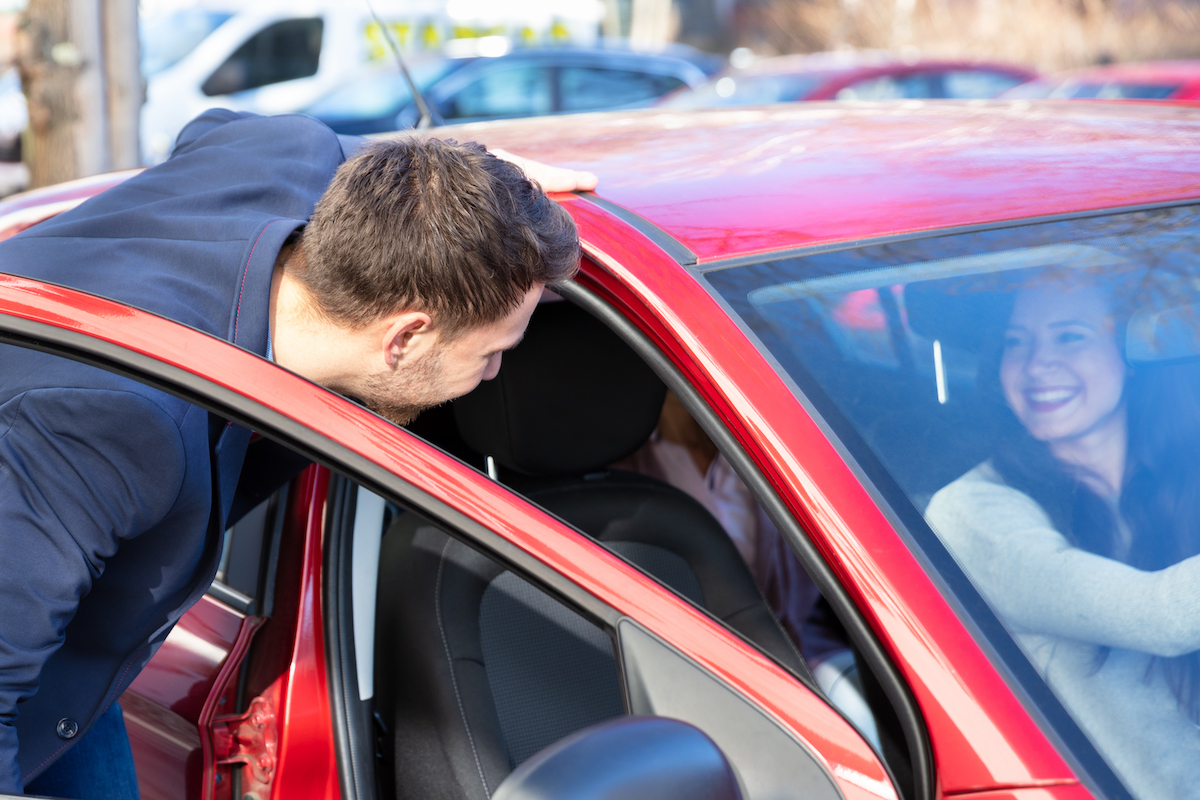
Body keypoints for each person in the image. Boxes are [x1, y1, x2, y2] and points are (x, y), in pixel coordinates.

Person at [0, 108, 597, 797]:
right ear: (403, 338)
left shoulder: (285, 157)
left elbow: (225, 129)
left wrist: (468, 184)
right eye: (493, 351)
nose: (494, 376)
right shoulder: (118, 423)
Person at [925, 280, 1200, 798]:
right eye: (1015, 343)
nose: (1035, 366)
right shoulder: (972, 512)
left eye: (1069, 337)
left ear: (1133, 351)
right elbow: (1159, 614)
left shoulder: (1179, 478)